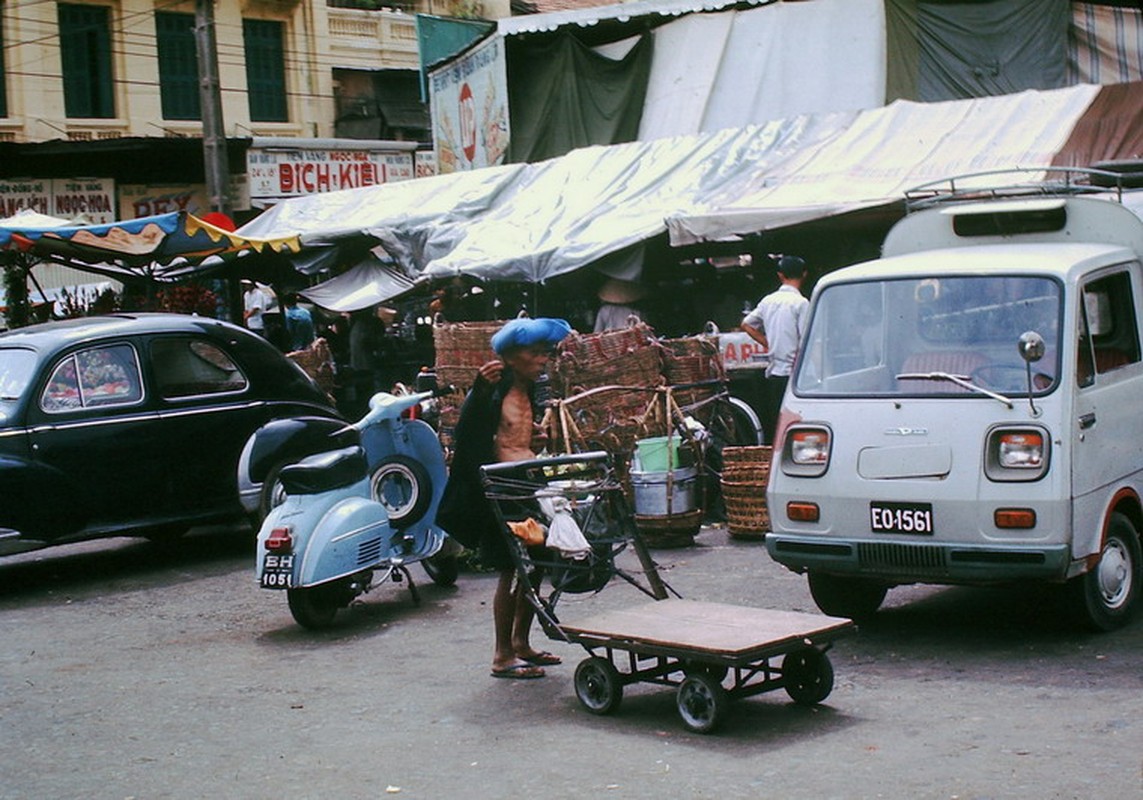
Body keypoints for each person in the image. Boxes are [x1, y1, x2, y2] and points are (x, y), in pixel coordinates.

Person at [436, 317, 573, 680]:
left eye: (546, 352)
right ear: (511, 356)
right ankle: (502, 655)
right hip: (504, 489)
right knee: (514, 568)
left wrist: (534, 441)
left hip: (528, 483)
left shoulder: (526, 389)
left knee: (538, 562)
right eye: (535, 352)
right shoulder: (491, 391)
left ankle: (521, 643)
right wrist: (480, 393)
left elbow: (513, 438)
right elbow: (469, 436)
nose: (543, 359)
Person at [741, 255, 810, 443]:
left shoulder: (768, 301)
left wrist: (768, 343)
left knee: (776, 421)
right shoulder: (801, 303)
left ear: (780, 275)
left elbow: (746, 324)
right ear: (804, 275)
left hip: (774, 373)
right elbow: (806, 340)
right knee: (795, 423)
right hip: (794, 375)